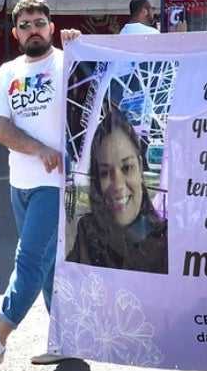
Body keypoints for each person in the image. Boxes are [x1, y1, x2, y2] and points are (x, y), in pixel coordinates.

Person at [0, 0, 80, 366]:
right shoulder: (7, 72)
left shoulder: (69, 62)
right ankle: (65, 341)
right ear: (16, 33)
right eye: (25, 25)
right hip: (21, 183)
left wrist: (84, 49)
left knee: (29, 258)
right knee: (46, 264)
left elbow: (105, 88)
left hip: (57, 184)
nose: (33, 30)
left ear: (52, 28)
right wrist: (39, 149)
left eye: (39, 23)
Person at [67, 109, 168, 274]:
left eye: (127, 168)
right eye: (105, 173)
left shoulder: (166, 242)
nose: (118, 185)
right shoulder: (87, 231)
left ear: (140, 168)